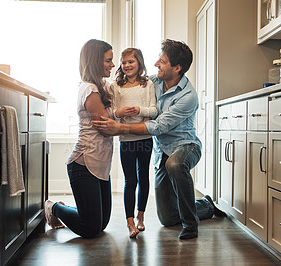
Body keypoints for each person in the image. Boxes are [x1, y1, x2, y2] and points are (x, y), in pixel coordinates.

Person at [92, 39, 226, 240]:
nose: (156, 64)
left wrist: (120, 127)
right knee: (167, 217)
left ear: (177, 67)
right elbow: (133, 87)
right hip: (162, 149)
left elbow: (158, 126)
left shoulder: (188, 96)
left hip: (186, 145)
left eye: (162, 61)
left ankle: (191, 225)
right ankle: (206, 206)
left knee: (175, 164)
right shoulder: (153, 83)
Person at [44, 39, 115, 238]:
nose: (113, 64)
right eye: (109, 60)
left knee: (101, 224)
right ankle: (54, 207)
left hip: (100, 164)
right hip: (83, 164)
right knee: (90, 228)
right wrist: (134, 128)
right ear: (95, 61)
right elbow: (106, 129)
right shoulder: (89, 89)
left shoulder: (103, 86)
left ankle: (70, 210)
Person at [111, 48, 157, 238]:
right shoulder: (116, 86)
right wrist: (120, 113)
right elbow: (113, 112)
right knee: (130, 180)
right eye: (124, 62)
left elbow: (154, 111)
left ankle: (140, 217)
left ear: (139, 62)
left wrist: (139, 110)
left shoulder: (147, 84)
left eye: (131, 61)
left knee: (143, 177)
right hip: (126, 140)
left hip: (145, 139)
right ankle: (130, 222)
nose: (127, 65)